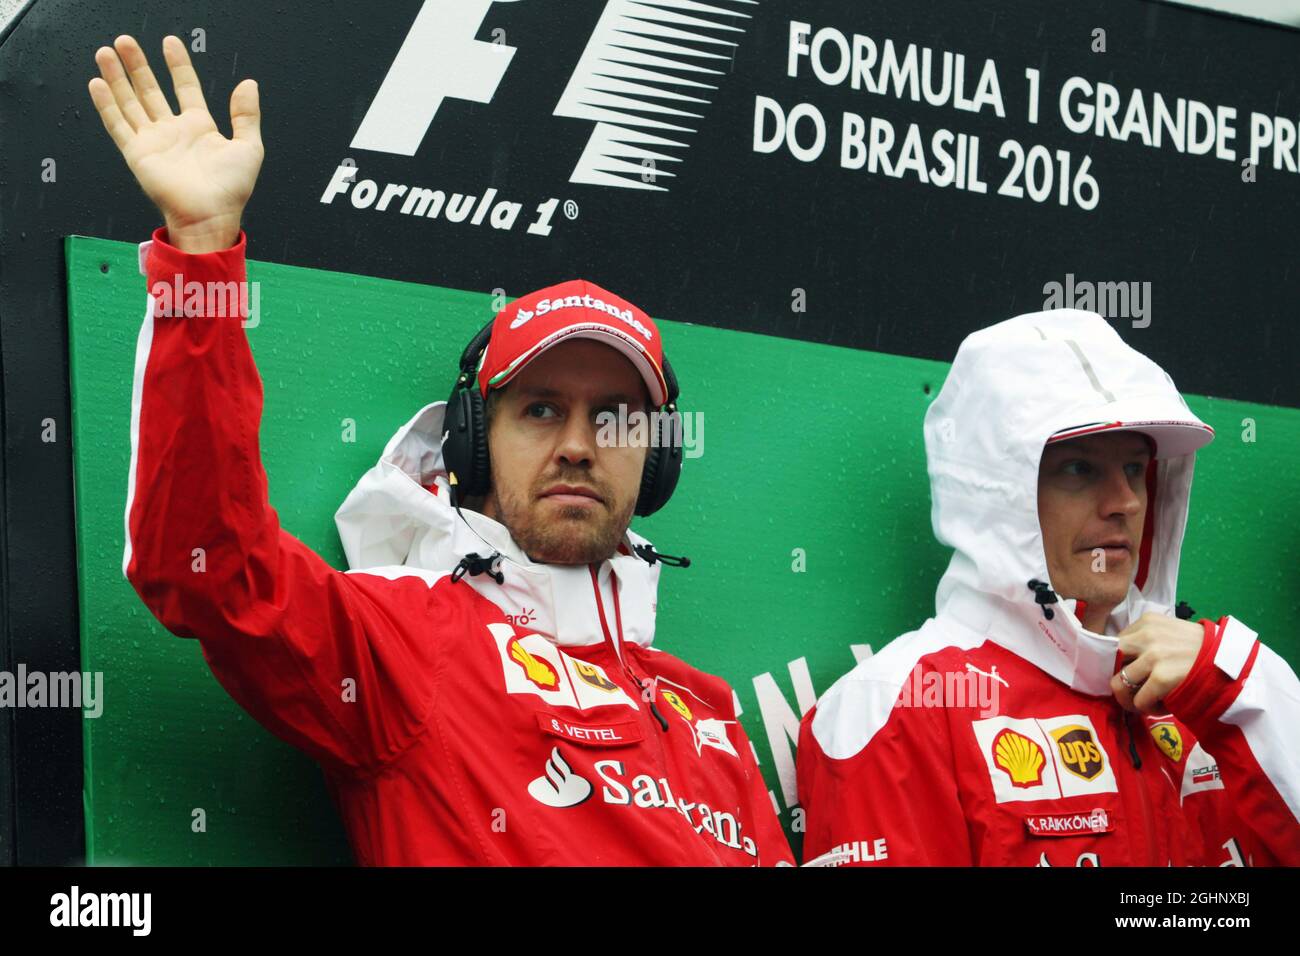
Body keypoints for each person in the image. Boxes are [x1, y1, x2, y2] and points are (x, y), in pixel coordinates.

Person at [92, 33, 792, 866]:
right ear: (473, 441)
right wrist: (201, 257)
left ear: (658, 457)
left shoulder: (707, 711)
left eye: (615, 417)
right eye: (539, 410)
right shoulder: (405, 645)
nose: (577, 445)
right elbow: (204, 559)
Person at [796, 308, 1300, 866]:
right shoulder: (892, 706)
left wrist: (1246, 689)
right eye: (1079, 470)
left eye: (1135, 469)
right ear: (995, 494)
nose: (1126, 502)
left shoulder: (1207, 692)